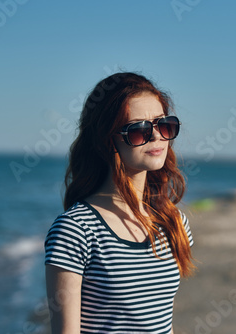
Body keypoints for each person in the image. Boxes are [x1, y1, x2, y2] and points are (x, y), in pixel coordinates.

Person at [44, 72, 195, 334]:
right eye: (139, 130)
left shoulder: (173, 222)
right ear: (106, 140)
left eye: (164, 125)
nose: (157, 137)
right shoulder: (75, 230)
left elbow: (161, 323)